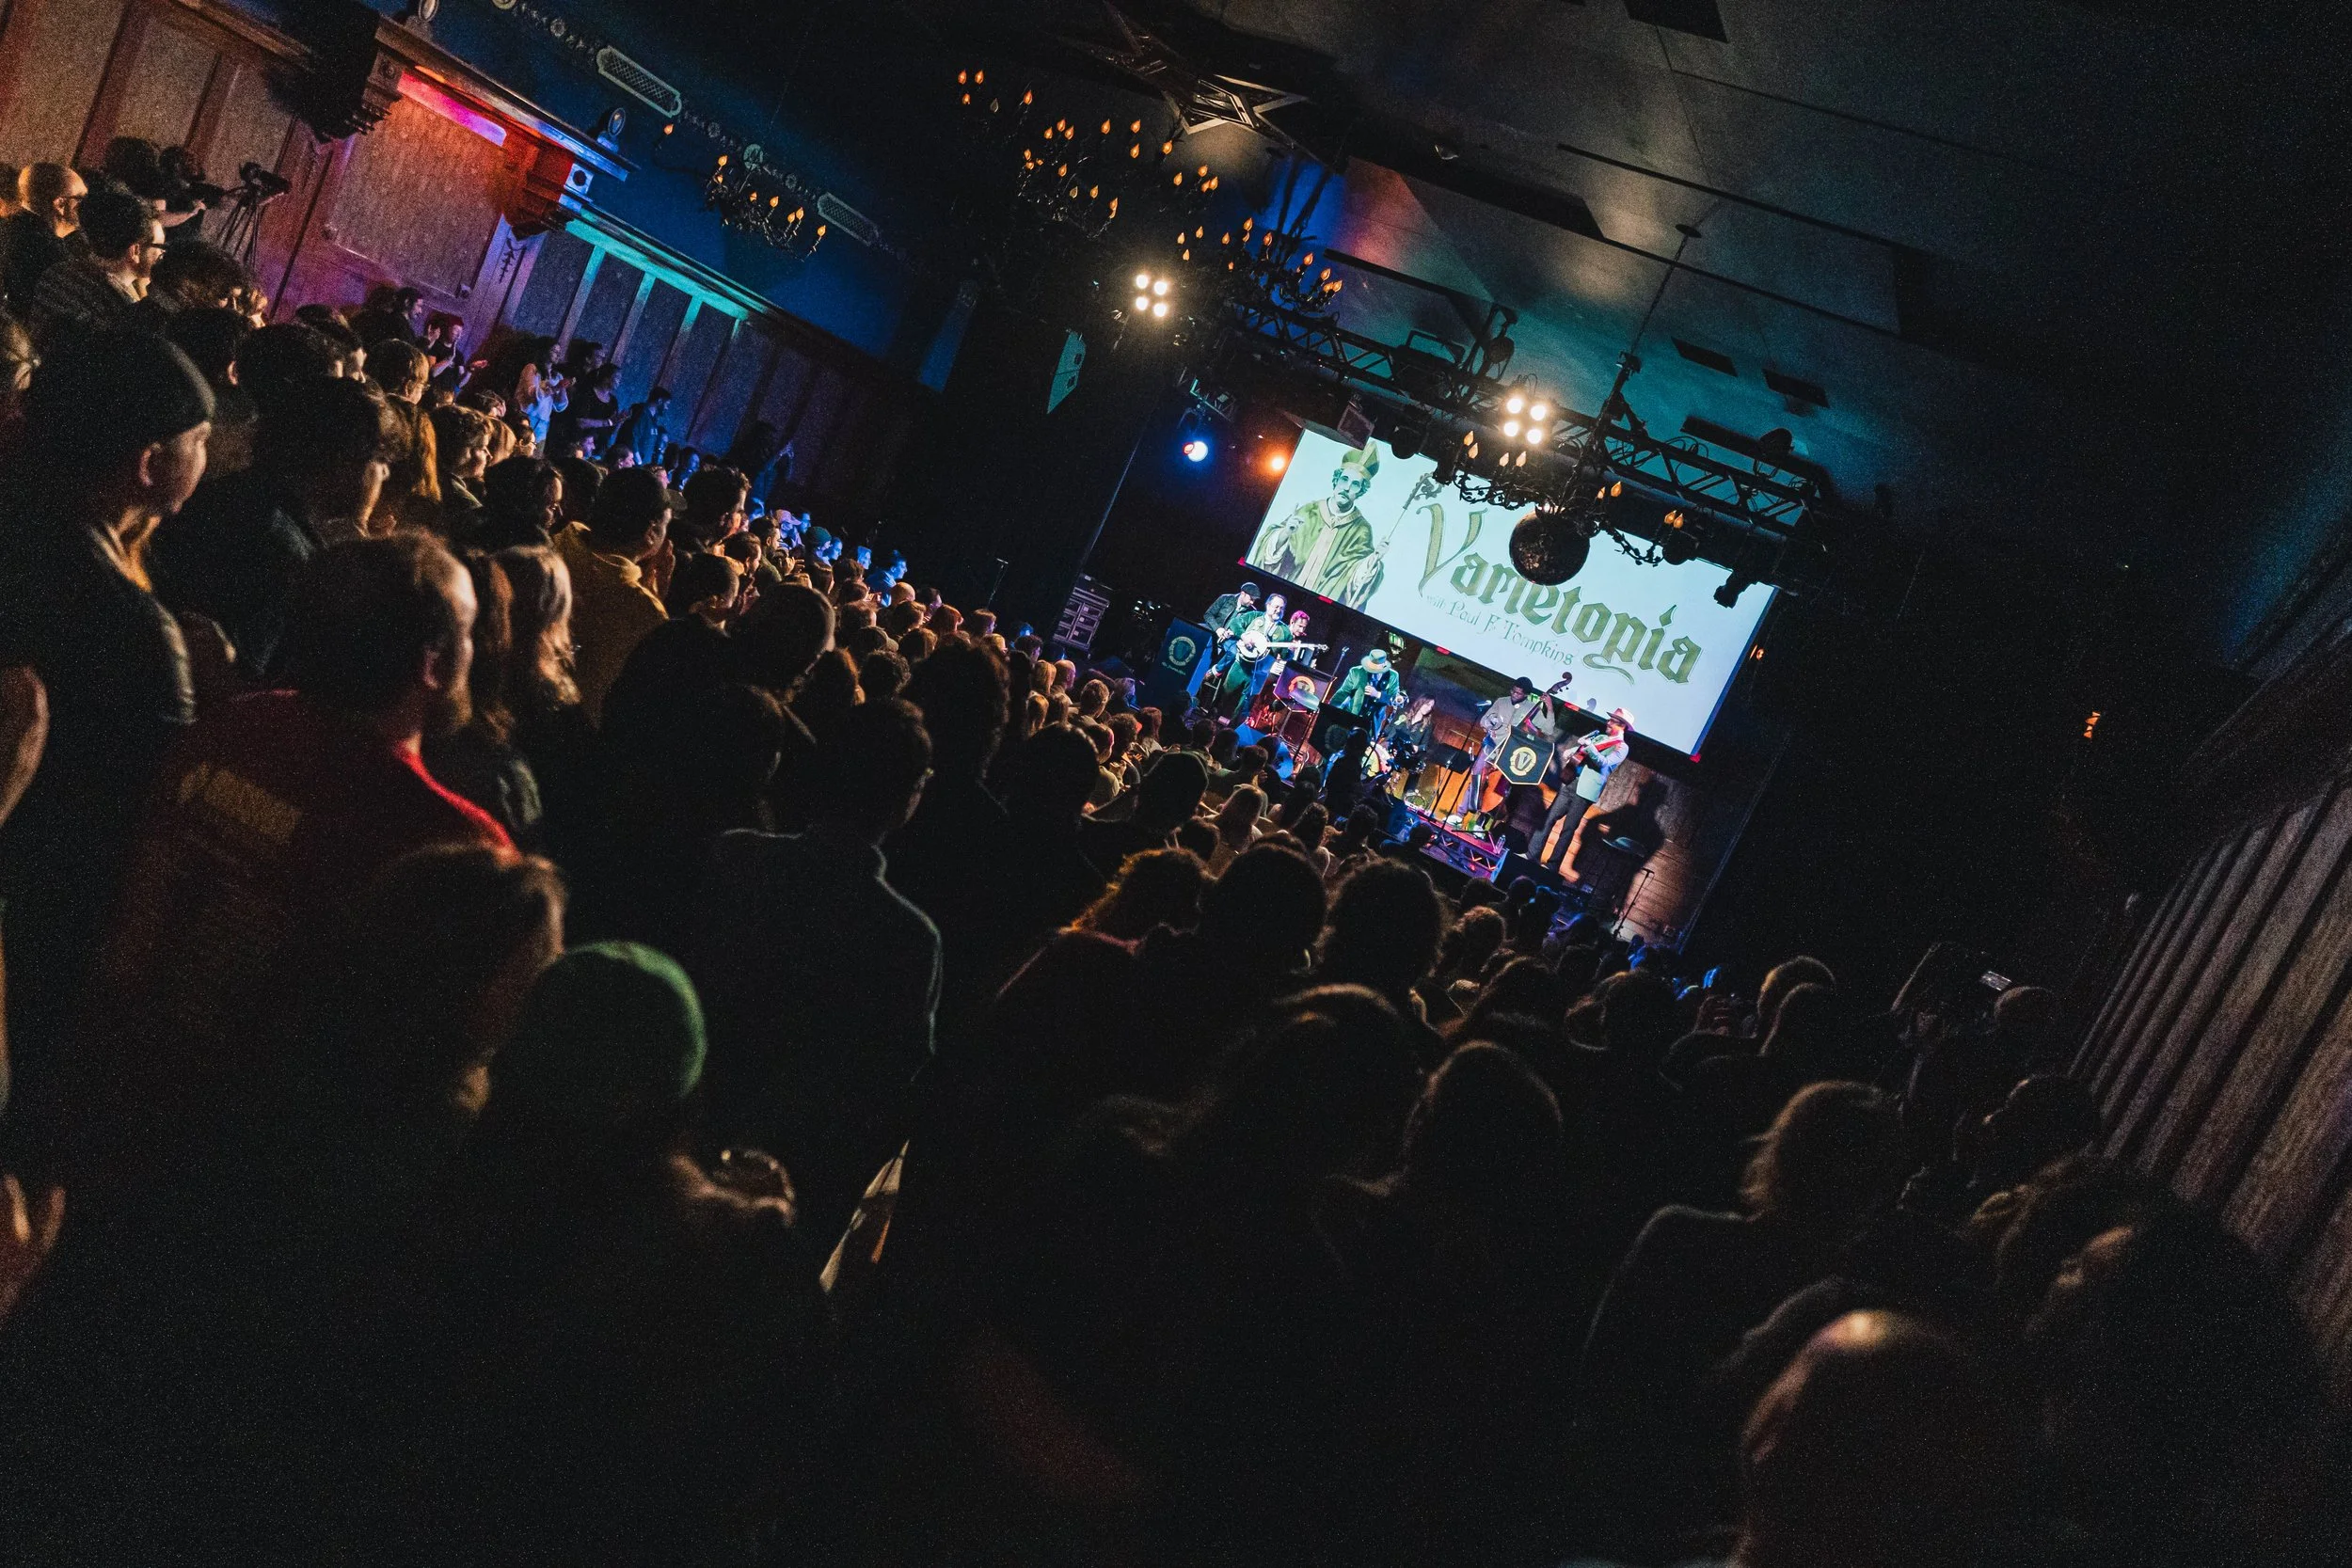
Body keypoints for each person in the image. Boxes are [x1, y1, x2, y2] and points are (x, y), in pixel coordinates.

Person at [87, 534, 509, 1178]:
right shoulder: (454, 843)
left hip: (118, 1095)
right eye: (469, 632)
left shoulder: (230, 728)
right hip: (271, 1168)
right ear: (432, 664)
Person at [0, 331, 213, 1174]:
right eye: (200, 439)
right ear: (150, 463)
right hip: (46, 922)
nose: (211, 456)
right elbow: (155, 810)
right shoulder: (130, 627)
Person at [691, 696, 940, 1245]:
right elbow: (892, 1079)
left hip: (691, 1120)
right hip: (797, 1175)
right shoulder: (909, 939)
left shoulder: (735, 857)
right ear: (907, 799)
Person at [152, 375, 400, 684]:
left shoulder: (229, 494)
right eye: (379, 459)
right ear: (343, 460)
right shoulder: (282, 551)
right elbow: (246, 682)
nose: (384, 474)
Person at [555, 467, 671, 720]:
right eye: (666, 526)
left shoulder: (556, 543)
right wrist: (651, 602)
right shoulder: (644, 610)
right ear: (651, 533)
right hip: (575, 724)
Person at [1250, 441, 1384, 607]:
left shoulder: (1361, 530)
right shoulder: (1309, 511)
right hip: (1283, 594)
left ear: (1361, 491)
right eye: (1344, 479)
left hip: (1319, 606)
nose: (1347, 488)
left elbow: (1355, 579)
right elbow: (1269, 554)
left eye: (1355, 484)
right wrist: (1285, 533)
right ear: (1336, 480)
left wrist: (1373, 561)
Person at [28, 188, 155, 353]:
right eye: (159, 246)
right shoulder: (123, 311)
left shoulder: (56, 273)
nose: (162, 254)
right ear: (135, 250)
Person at [1537, 705, 1631, 871]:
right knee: (1548, 818)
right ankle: (1532, 854)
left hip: (1586, 790)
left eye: (1612, 721)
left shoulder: (1622, 747)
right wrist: (1572, 750)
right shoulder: (1600, 737)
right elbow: (1582, 751)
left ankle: (1552, 866)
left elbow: (1605, 763)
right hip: (1571, 781)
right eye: (1609, 719)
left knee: (1568, 829)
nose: (1608, 722)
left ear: (1622, 725)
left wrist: (1590, 747)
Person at [2, 164, 83, 317]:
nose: (86, 206)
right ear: (60, 204)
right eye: (81, 198)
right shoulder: (51, 253)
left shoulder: (8, 227)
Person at [1328, 647, 1399, 728]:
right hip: (1352, 714)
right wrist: (1332, 709)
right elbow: (1343, 692)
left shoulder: (1393, 676)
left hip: (1372, 722)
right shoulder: (1356, 671)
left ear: (1384, 665)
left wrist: (1377, 694)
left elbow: (1393, 699)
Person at [609, 384, 672, 468]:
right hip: (632, 466)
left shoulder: (653, 419)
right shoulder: (641, 413)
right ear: (660, 401)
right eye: (667, 404)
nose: (667, 408)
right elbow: (632, 439)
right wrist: (639, 463)